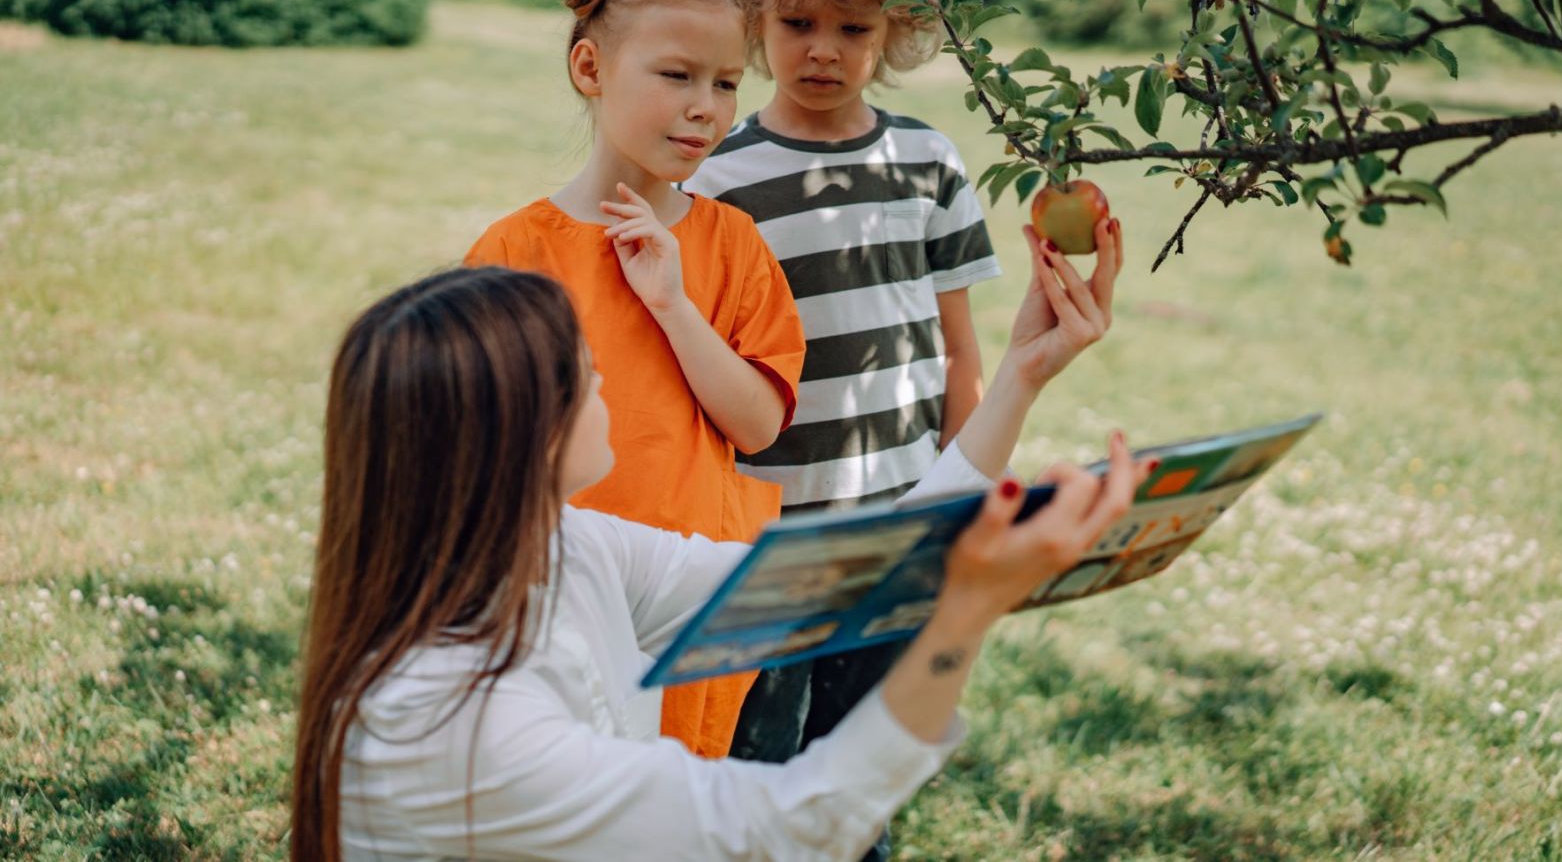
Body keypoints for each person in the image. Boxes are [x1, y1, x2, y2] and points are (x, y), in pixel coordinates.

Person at [290, 259, 1149, 861]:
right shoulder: (445, 721)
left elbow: (842, 575)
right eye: (585, 373)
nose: (604, 385)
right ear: (522, 433)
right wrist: (964, 615)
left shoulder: (562, 544)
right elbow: (791, 833)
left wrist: (1021, 380)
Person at [681, 0, 1126, 796]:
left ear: (895, 31)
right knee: (755, 778)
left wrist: (961, 508)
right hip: (767, 540)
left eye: (855, 28)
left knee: (861, 778)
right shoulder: (718, 175)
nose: (824, 51)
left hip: (898, 524)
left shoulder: (927, 160)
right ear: (758, 17)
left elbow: (959, 352)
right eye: (799, 23)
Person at [464, 0, 807, 757]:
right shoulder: (515, 249)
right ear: (591, 67)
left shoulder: (733, 243)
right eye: (677, 75)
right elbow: (476, 454)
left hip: (691, 600)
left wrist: (672, 304)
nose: (706, 108)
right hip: (554, 601)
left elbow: (758, 425)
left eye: (726, 83)